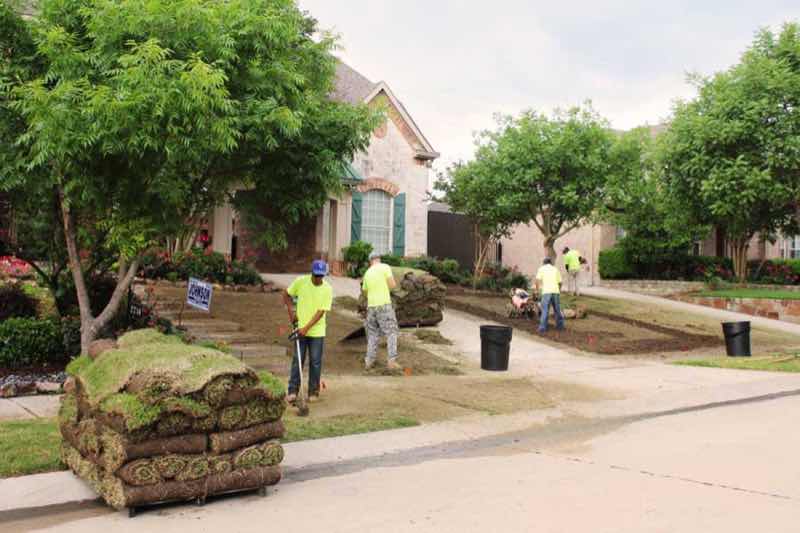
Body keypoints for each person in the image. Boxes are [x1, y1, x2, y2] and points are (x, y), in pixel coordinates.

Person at [282, 260, 333, 403]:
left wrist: (306, 328)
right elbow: (286, 295)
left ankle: (313, 392)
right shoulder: (301, 282)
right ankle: (292, 391)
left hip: (317, 331)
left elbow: (320, 312)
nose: (318, 279)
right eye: (316, 275)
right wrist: (291, 312)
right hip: (300, 328)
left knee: (315, 362)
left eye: (321, 276)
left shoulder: (327, 289)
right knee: (297, 360)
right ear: (312, 273)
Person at [362, 251, 400, 370]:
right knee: (391, 332)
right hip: (384, 305)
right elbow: (392, 285)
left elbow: (365, 292)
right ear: (379, 259)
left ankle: (369, 361)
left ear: (370, 261)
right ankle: (392, 361)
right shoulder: (385, 267)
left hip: (371, 307)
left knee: (372, 334)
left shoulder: (367, 273)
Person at [535, 257, 565, 333]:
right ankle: (560, 326)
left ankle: (542, 328)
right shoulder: (555, 269)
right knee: (557, 309)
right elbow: (560, 282)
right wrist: (559, 290)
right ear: (550, 263)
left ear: (544, 263)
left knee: (545, 309)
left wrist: (537, 290)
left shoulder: (541, 268)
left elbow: (537, 281)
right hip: (555, 291)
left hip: (546, 292)